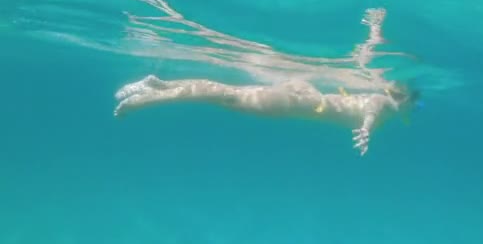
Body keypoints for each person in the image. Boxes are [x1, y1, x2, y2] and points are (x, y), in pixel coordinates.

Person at [113, 75, 418, 156]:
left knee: (226, 94)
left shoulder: (393, 110)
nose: (414, 108)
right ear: (402, 98)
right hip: (297, 104)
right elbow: (371, 110)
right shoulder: (381, 102)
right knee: (228, 97)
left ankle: (161, 85)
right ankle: (149, 98)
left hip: (304, 100)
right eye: (413, 101)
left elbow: (384, 112)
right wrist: (365, 130)